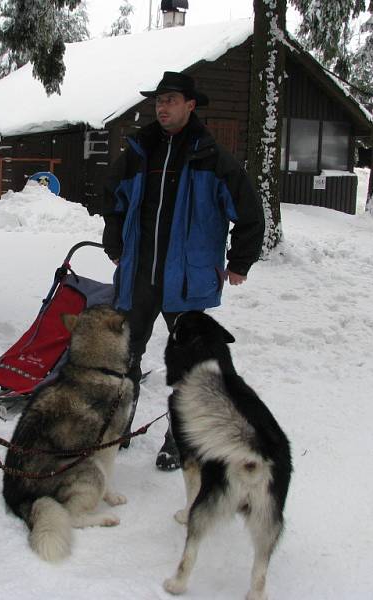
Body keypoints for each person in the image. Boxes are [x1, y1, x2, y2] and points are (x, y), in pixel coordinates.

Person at [102, 71, 265, 471]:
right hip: (141, 272)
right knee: (125, 353)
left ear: (190, 106)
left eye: (171, 100)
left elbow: (248, 209)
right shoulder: (141, 150)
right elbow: (114, 196)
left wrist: (240, 259)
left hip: (186, 278)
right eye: (159, 101)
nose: (162, 107)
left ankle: (179, 439)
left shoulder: (211, 156)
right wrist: (114, 237)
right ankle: (118, 428)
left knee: (188, 364)